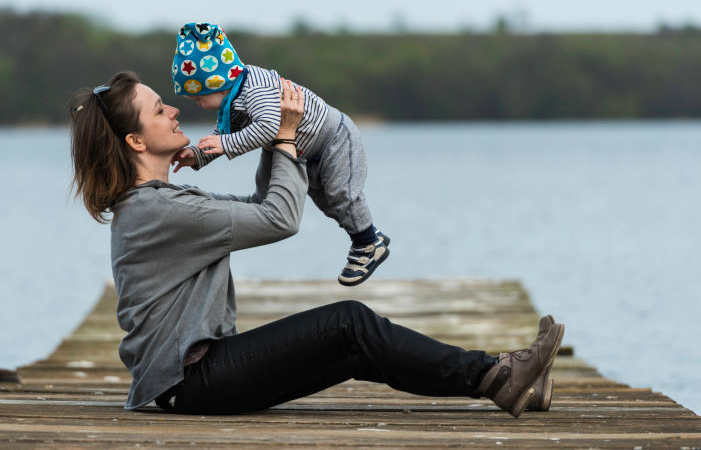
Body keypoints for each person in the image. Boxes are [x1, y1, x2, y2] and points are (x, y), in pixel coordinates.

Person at [68, 71, 564, 417]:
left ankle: (504, 383)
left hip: (194, 377)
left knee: (358, 351)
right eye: (159, 109)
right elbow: (281, 218)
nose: (174, 109)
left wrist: (280, 140)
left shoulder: (159, 202)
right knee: (349, 322)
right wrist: (284, 136)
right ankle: (497, 374)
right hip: (191, 380)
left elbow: (260, 205)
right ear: (136, 141)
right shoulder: (158, 210)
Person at [169, 22, 388, 287]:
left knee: (342, 195)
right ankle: (368, 232)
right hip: (294, 148)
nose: (197, 104)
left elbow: (269, 126)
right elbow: (224, 131)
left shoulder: (256, 90)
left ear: (217, 82)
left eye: (197, 98)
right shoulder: (233, 95)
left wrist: (226, 144)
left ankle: (367, 243)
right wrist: (198, 154)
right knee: (289, 198)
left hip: (333, 138)